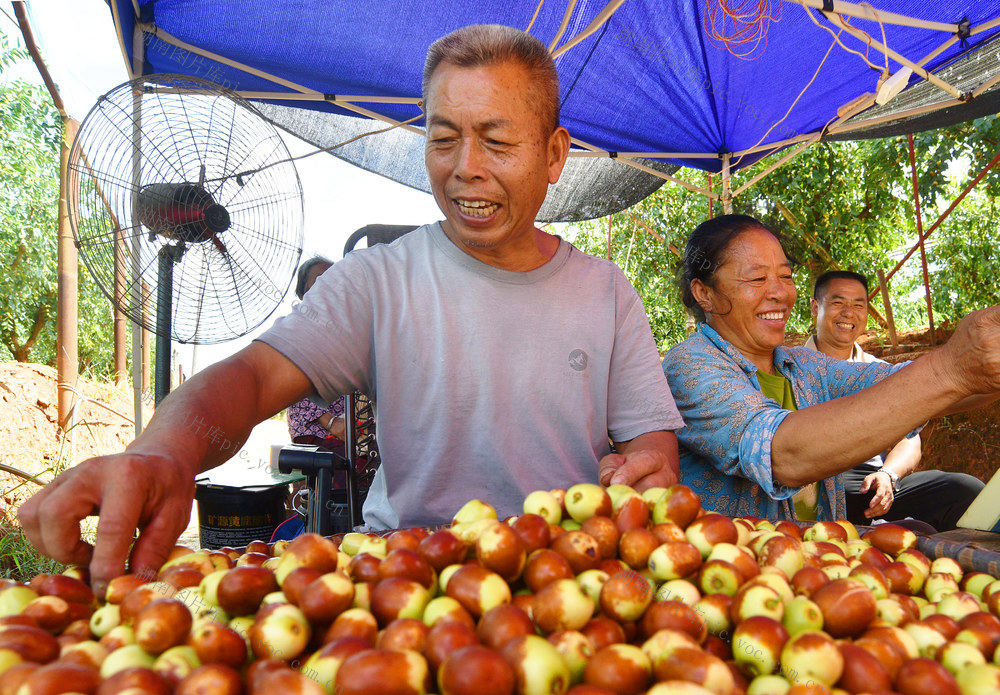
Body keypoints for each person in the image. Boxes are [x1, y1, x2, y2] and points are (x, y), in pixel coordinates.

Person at [19, 24, 683, 591]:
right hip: (405, 583)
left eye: (498, 141)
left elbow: (649, 438)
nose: (464, 167)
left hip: (567, 577)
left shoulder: (606, 292)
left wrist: (649, 466)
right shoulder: (378, 282)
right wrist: (165, 452)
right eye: (443, 138)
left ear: (555, 154)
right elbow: (251, 379)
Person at [662, 214, 1000, 523]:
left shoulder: (804, 366)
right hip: (736, 574)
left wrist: (983, 367)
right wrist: (953, 369)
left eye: (785, 276)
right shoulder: (690, 367)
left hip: (817, 569)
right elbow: (784, 454)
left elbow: (904, 383)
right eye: (757, 278)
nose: (780, 292)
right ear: (704, 293)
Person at [804, 270, 982, 530]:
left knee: (963, 490)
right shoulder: (790, 365)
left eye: (858, 305)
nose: (848, 313)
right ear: (815, 307)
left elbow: (909, 440)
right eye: (838, 302)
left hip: (870, 484)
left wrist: (888, 475)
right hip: (813, 480)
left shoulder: (882, 371)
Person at [286, 257, 347, 452]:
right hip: (317, 433)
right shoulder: (294, 328)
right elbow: (291, 386)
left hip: (352, 435)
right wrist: (331, 422)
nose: (329, 285)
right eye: (320, 280)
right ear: (304, 293)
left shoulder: (348, 330)